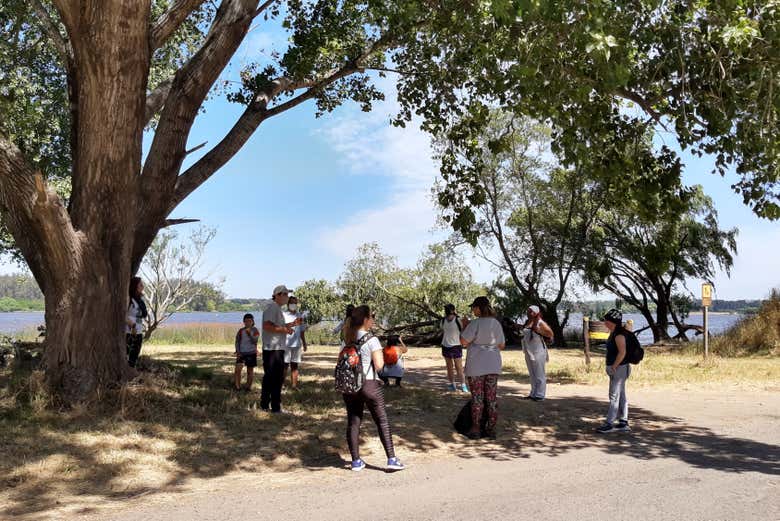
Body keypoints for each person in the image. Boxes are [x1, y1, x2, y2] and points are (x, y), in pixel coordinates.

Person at [341, 305, 404, 471]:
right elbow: (379, 366)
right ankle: (391, 458)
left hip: (350, 385)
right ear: (365, 320)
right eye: (372, 317)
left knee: (353, 422)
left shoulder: (347, 338)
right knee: (382, 421)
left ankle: (355, 461)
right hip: (369, 384)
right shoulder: (372, 340)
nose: (374, 320)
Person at [460, 296, 505, 439]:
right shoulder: (496, 324)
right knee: (491, 398)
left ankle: (476, 428)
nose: (472, 310)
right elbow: (502, 345)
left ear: (478, 308)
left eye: (473, 307)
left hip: (476, 365)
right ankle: (491, 428)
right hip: (493, 363)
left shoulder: (474, 323)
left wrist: (465, 326)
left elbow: (463, 342)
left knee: (477, 398)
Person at [261, 285, 300, 413]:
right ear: (278, 295)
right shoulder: (272, 308)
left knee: (272, 378)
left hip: (276, 348)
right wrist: (284, 329)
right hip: (273, 348)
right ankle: (274, 407)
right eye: (285, 294)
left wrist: (292, 325)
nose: (287, 297)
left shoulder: (276, 309)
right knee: (274, 379)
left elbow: (277, 326)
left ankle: (266, 405)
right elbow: (267, 326)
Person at [597, 308, 631, 433]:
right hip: (619, 368)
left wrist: (614, 367)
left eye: (606, 320)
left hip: (620, 369)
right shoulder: (614, 332)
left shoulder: (619, 334)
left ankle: (609, 423)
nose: (605, 322)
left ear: (613, 321)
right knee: (620, 395)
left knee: (614, 395)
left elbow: (622, 353)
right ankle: (623, 422)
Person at [521, 305, 554, 401]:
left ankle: (540, 395)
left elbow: (550, 333)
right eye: (528, 311)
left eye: (530, 311)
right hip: (529, 351)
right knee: (532, 373)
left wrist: (538, 330)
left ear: (536, 313)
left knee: (539, 373)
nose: (528, 313)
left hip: (538, 351)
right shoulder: (528, 322)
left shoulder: (540, 322)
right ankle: (533, 393)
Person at [441, 304, 467, 392]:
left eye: (448, 309)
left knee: (459, 367)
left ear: (453, 310)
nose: (447, 311)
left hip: (456, 346)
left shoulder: (458, 320)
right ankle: (452, 385)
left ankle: (463, 385)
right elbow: (444, 331)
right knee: (449, 367)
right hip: (445, 345)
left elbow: (463, 329)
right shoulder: (442, 320)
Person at [283, 296, 308, 389]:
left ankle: (294, 385)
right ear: (288, 304)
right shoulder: (284, 315)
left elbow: (302, 331)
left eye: (295, 303)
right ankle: (282, 384)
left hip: (297, 345)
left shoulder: (300, 316)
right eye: (291, 303)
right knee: (285, 365)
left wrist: (304, 343)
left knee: (295, 366)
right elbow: (280, 328)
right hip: (286, 344)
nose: (293, 305)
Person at [126, 277, 148, 368]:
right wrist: (133, 326)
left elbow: (143, 314)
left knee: (135, 355)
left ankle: (131, 372)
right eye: (140, 285)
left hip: (138, 332)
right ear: (135, 286)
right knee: (128, 355)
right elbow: (123, 315)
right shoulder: (129, 299)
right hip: (129, 331)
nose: (142, 287)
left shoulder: (140, 301)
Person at [234, 313, 260, 391]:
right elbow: (237, 341)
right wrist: (238, 352)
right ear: (244, 322)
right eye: (246, 321)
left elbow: (255, 341)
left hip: (251, 353)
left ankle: (248, 387)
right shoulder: (241, 331)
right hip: (241, 353)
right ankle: (237, 387)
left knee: (250, 371)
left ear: (252, 321)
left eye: (249, 321)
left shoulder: (255, 330)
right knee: (237, 370)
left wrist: (249, 334)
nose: (247, 323)